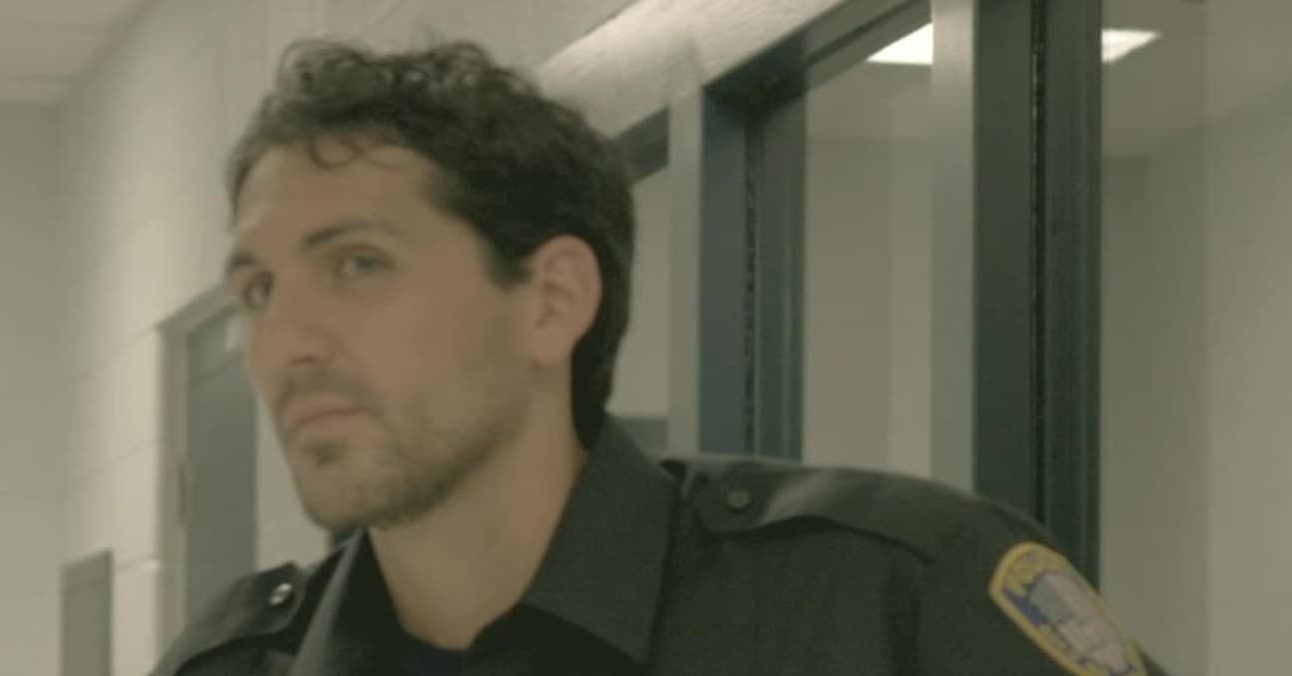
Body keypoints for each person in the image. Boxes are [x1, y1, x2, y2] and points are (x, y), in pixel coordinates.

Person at [151, 38, 1169, 676]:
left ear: (552, 300)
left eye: (359, 264)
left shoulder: (889, 601)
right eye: (259, 290)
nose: (287, 342)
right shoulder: (231, 666)